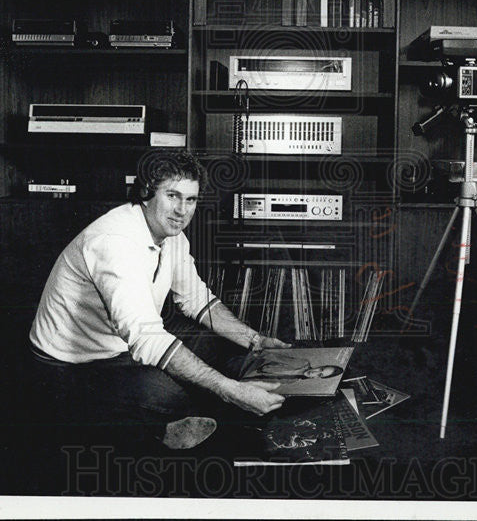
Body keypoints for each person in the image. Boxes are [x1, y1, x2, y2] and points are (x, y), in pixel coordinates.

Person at [28, 150, 288, 450]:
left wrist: (255, 340)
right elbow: (146, 339)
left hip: (122, 345)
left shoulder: (172, 235)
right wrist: (229, 389)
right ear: (146, 193)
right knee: (173, 397)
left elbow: (196, 300)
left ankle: (194, 412)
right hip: (72, 366)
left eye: (190, 200)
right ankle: (159, 427)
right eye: (172, 196)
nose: (182, 210)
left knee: (224, 348)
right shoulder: (115, 242)